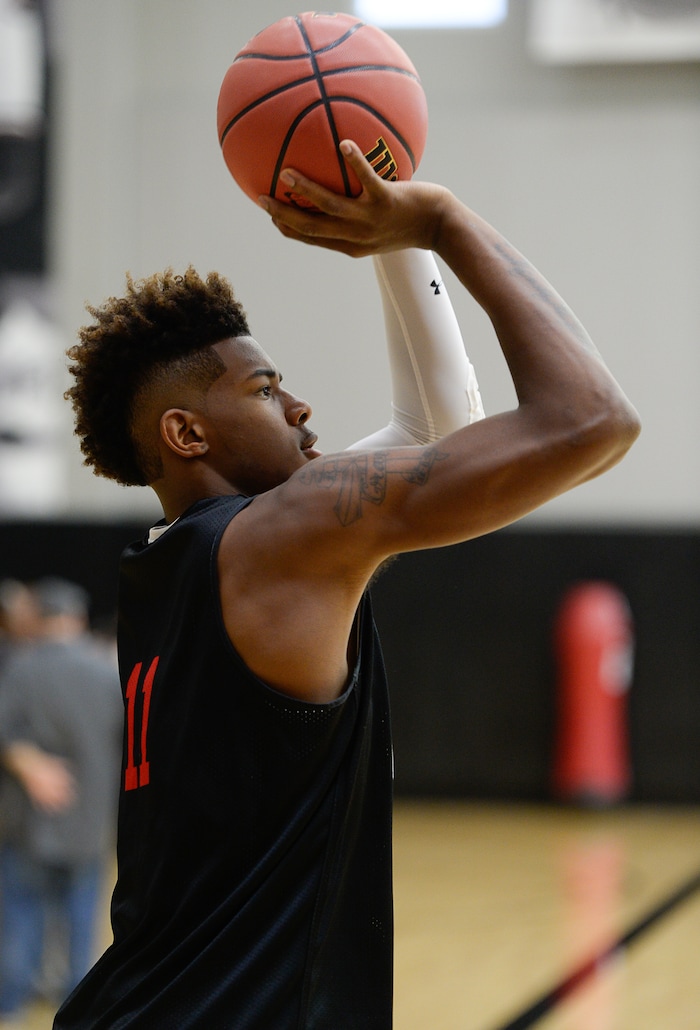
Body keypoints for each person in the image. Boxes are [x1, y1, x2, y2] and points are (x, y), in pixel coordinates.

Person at [54, 142, 640, 1029]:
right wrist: (436, 220)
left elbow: (432, 427)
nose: (301, 409)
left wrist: (390, 239)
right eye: (265, 389)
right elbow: (593, 417)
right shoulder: (280, 537)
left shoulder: (175, 557)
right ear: (186, 433)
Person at [0, 578, 122, 1026]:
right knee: (81, 917)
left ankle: (11, 1003)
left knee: (22, 915)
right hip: (88, 821)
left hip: (28, 821)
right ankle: (78, 1005)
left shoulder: (19, 668)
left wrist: (29, 764)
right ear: (77, 618)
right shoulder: (108, 673)